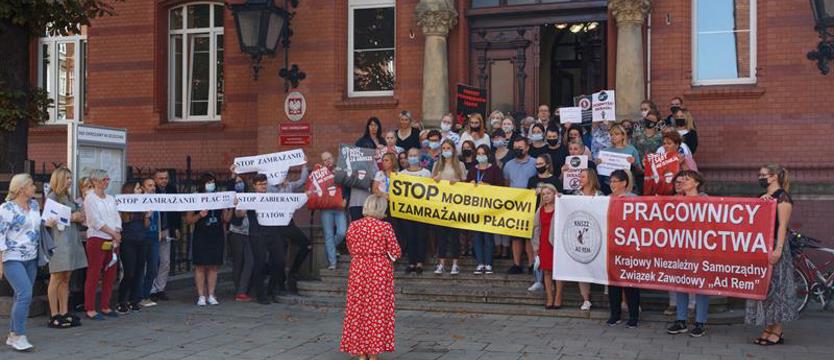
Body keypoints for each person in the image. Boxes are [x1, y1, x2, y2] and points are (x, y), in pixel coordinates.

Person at [339, 195, 401, 360]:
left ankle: (360, 353)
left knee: (358, 309)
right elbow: (396, 252)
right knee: (376, 310)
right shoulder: (385, 227)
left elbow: (350, 248)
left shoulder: (353, 226)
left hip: (358, 269)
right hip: (379, 270)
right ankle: (373, 353)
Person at [747, 164, 798, 346]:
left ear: (774, 176)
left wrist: (778, 249)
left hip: (776, 247)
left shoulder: (783, 197)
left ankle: (777, 329)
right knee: (765, 289)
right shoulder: (763, 197)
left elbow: (782, 226)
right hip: (761, 246)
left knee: (777, 289)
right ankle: (768, 327)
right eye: (759, 174)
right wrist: (763, 203)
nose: (760, 177)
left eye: (764, 175)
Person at [1, 174, 49, 351]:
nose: (34, 188)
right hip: (12, 257)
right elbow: (0, 235)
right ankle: (19, 335)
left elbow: (36, 226)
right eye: (31, 185)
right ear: (21, 189)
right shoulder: (6, 208)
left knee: (20, 296)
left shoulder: (35, 205)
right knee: (25, 294)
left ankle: (13, 334)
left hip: (31, 256)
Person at [666, 170, 710, 337]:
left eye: (687, 179)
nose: (683, 181)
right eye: (681, 179)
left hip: (700, 248)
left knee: (701, 285)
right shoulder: (676, 200)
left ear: (696, 183)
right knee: (680, 284)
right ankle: (681, 320)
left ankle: (700, 322)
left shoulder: (705, 200)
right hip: (680, 247)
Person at [45, 168, 87, 328]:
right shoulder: (53, 197)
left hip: (71, 240)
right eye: (67, 178)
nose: (70, 180)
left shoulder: (68, 196)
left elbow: (78, 216)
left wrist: (78, 216)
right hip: (59, 242)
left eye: (71, 177)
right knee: (56, 277)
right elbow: (50, 218)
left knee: (66, 278)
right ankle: (54, 314)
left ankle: (64, 311)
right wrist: (72, 217)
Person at [237, 174, 285, 305]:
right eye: (260, 184)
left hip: (273, 232)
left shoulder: (271, 197)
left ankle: (272, 289)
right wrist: (240, 205)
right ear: (254, 186)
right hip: (257, 234)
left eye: (264, 184)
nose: (263, 186)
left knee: (279, 261)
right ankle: (261, 294)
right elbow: (240, 214)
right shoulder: (250, 198)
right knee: (260, 263)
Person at [185, 173, 232, 306]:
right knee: (200, 265)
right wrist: (200, 215)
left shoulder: (219, 197)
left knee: (214, 265)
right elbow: (188, 220)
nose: (211, 184)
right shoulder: (195, 197)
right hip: (201, 233)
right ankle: (201, 295)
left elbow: (226, 219)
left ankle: (211, 294)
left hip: (216, 233)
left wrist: (229, 207)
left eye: (213, 182)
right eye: (208, 182)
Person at [267, 163, 312, 295]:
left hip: (288, 223)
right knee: (280, 254)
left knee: (306, 245)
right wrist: (279, 186)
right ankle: (279, 284)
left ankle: (293, 272)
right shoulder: (271, 188)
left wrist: (304, 165)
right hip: (276, 224)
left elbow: (302, 181)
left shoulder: (290, 186)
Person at [83, 169, 122, 320]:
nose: (106, 182)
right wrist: (113, 233)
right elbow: (95, 220)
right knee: (94, 273)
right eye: (104, 179)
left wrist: (116, 233)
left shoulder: (110, 198)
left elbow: (116, 217)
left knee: (110, 273)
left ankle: (105, 305)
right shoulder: (90, 198)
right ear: (95, 181)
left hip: (112, 239)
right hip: (98, 238)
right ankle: (90, 307)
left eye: (107, 179)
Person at [606, 170, 641, 327]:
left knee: (630, 284)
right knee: (613, 283)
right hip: (611, 247)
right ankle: (615, 314)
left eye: (615, 181)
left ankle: (633, 317)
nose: (612, 184)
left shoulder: (634, 199)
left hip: (629, 247)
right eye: (611, 181)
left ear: (624, 183)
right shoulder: (606, 200)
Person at [563, 168, 600, 310]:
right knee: (581, 268)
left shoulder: (600, 195)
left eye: (583, 176)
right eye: (579, 176)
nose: (580, 179)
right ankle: (586, 299)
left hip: (596, 235)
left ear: (590, 178)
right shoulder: (574, 194)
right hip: (580, 234)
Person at [465, 144, 504, 274]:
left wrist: (488, 185)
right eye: (479, 154)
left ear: (488, 155)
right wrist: (469, 184)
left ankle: (488, 263)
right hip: (475, 208)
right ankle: (480, 263)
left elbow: (501, 187)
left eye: (483, 154)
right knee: (477, 237)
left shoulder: (495, 169)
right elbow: (463, 189)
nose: (481, 156)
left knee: (488, 237)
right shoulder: (472, 170)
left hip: (489, 208)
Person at [432, 139, 467, 275]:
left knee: (454, 236)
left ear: (453, 149)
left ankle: (455, 264)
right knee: (441, 235)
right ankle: (441, 264)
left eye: (448, 148)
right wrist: (435, 180)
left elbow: (465, 183)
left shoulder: (460, 165)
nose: (446, 150)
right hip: (440, 206)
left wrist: (457, 182)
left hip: (455, 206)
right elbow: (430, 184)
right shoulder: (436, 165)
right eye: (444, 148)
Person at [503, 138, 538, 275]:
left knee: (528, 235)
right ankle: (516, 264)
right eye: (516, 147)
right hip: (514, 206)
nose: (518, 149)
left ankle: (531, 264)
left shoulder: (535, 163)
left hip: (530, 205)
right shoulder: (508, 165)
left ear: (527, 147)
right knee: (516, 236)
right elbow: (506, 184)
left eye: (521, 147)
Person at [116, 182, 149, 314]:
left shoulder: (143, 204)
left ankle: (133, 300)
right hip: (128, 240)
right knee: (129, 271)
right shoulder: (123, 206)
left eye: (140, 188)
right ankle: (121, 300)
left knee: (139, 270)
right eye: (137, 188)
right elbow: (120, 222)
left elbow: (146, 225)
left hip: (141, 239)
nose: (140, 190)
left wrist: (147, 215)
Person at [149, 169, 180, 303]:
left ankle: (160, 288)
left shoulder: (172, 189)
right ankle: (150, 288)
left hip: (167, 229)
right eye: (161, 178)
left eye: (166, 178)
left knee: (165, 261)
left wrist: (177, 228)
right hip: (154, 230)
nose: (164, 181)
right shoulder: (151, 191)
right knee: (152, 261)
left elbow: (176, 209)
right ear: (155, 179)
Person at [400, 148, 432, 274]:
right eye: (410, 155)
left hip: (422, 210)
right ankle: (411, 262)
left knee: (421, 236)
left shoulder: (426, 173)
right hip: (407, 210)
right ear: (407, 158)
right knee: (410, 236)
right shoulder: (402, 173)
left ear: (419, 157)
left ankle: (420, 262)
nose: (413, 157)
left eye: (415, 155)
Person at [319, 152, 348, 271]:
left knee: (342, 232)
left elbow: (347, 185)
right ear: (322, 162)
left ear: (333, 158)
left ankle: (331, 247)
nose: (328, 161)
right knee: (329, 235)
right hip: (326, 208)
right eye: (325, 160)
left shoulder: (340, 170)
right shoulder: (319, 175)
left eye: (329, 158)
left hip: (339, 207)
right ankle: (332, 263)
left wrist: (346, 199)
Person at [530, 184, 558, 309]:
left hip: (556, 244)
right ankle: (549, 297)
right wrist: (536, 246)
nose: (546, 196)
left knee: (558, 272)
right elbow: (536, 229)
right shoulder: (540, 209)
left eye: (549, 193)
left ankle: (558, 296)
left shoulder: (560, 208)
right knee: (546, 271)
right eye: (544, 194)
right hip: (544, 244)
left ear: (554, 194)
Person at [229, 175, 254, 300]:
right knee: (238, 262)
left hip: (249, 233)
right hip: (237, 233)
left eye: (241, 182)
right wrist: (238, 207)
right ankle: (239, 291)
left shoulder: (249, 195)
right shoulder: (231, 197)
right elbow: (238, 215)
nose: (239, 184)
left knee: (249, 261)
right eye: (236, 182)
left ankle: (242, 289)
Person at [598, 125, 643, 194]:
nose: (613, 136)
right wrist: (598, 164)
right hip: (608, 185)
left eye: (616, 134)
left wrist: (634, 163)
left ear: (623, 136)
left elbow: (640, 172)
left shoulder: (631, 150)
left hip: (626, 186)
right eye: (611, 134)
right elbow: (600, 172)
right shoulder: (605, 151)